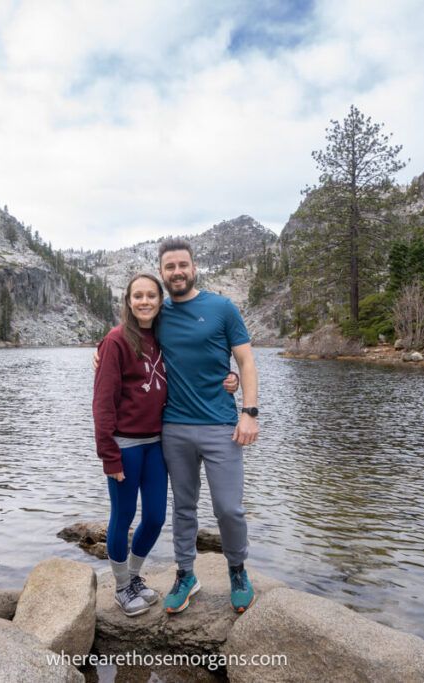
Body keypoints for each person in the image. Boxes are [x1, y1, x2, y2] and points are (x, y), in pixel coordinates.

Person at [92, 272, 239, 617]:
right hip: (125, 447)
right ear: (128, 302)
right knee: (123, 516)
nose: (144, 302)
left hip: (156, 443)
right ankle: (120, 588)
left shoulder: (160, 338)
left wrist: (229, 378)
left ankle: (134, 577)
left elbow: (196, 366)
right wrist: (109, 456)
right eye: (137, 296)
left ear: (160, 302)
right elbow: (102, 404)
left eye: (151, 296)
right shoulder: (115, 341)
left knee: (156, 516)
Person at [154, 237, 260, 615]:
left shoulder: (221, 308)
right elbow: (127, 340)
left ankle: (237, 570)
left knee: (229, 508)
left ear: (194, 267)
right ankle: (185, 574)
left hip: (220, 426)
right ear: (162, 272)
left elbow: (245, 362)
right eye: (170, 267)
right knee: (183, 507)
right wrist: (101, 353)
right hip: (174, 428)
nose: (177, 272)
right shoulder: (158, 314)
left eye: (183, 265)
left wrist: (249, 411)